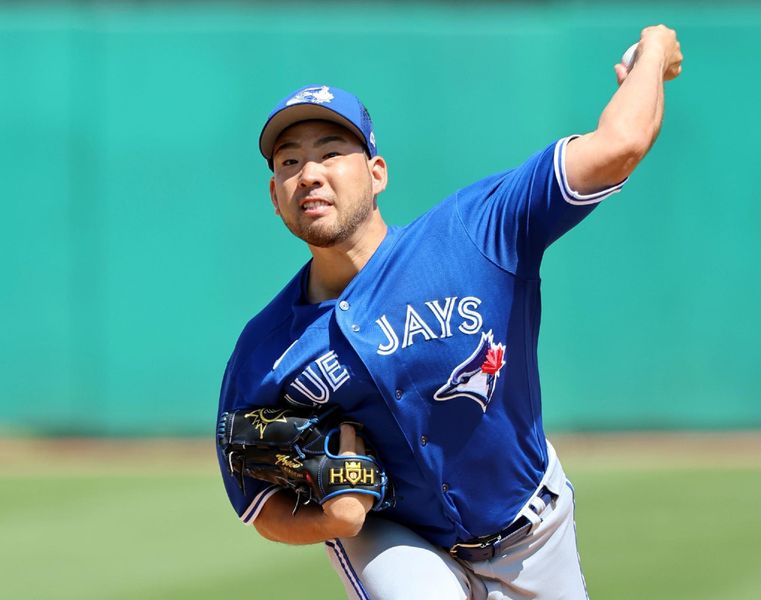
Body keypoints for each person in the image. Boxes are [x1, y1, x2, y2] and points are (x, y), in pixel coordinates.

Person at [217, 25, 683, 600]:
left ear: (377, 172)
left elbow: (621, 145)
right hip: (401, 537)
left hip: (536, 533)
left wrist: (654, 51)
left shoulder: (474, 233)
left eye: (332, 153)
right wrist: (330, 523)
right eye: (289, 162)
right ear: (274, 195)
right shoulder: (265, 351)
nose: (309, 173)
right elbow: (258, 500)